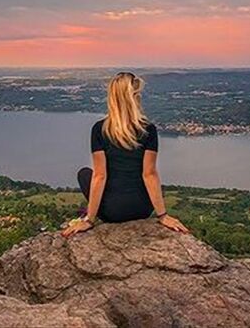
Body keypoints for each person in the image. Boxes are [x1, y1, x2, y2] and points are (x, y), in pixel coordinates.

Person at [62, 71, 189, 237]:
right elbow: (149, 174)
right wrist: (163, 216)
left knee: (85, 174)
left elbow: (100, 176)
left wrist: (89, 220)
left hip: (112, 213)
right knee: (155, 181)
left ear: (113, 98)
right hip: (142, 209)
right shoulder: (148, 129)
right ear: (134, 97)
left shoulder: (100, 130)